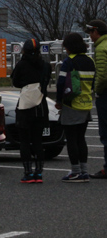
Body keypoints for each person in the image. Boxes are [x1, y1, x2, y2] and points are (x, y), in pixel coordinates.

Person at [55, 32, 95, 182]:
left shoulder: (69, 62)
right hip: (86, 103)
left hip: (71, 104)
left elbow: (60, 83)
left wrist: (59, 100)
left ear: (69, 47)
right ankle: (84, 171)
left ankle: (75, 171)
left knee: (71, 139)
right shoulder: (90, 61)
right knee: (81, 139)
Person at [10, 38, 51, 183]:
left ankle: (28, 173)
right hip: (40, 106)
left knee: (25, 141)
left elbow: (15, 82)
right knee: (38, 141)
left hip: (25, 106)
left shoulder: (21, 65)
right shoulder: (46, 65)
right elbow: (47, 82)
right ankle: (39, 173)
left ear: (24, 51)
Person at [87, 20, 107, 179]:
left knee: (105, 132)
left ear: (96, 31)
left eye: (90, 32)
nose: (89, 36)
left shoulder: (101, 48)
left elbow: (102, 74)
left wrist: (97, 91)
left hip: (105, 95)